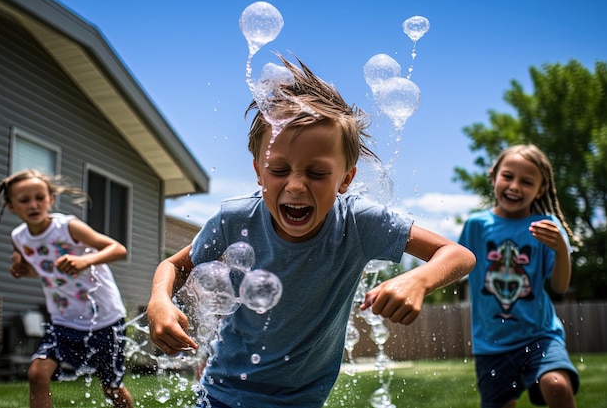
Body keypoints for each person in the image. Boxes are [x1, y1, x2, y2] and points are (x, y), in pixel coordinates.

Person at [146, 54, 476, 408]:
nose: (296, 186)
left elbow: (459, 255)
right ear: (259, 171)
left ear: (345, 179)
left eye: (317, 173)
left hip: (302, 400)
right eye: (279, 170)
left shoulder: (357, 222)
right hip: (225, 391)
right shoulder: (236, 218)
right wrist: (159, 302)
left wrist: (418, 281)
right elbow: (176, 265)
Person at [0, 169, 134, 408]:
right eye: (24, 200)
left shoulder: (67, 226)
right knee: (36, 374)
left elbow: (118, 249)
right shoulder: (19, 237)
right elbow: (37, 269)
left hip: (104, 318)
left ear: (50, 199)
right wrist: (21, 269)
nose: (33, 204)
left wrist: (85, 260)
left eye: (39, 198)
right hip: (63, 320)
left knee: (111, 387)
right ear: (12, 207)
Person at [458, 144, 580, 408]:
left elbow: (560, 286)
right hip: (491, 345)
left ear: (541, 188)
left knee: (557, 384)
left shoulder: (546, 227)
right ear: (493, 176)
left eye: (527, 181)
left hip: (540, 335)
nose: (515, 186)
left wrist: (561, 249)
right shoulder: (476, 226)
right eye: (508, 176)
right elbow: (457, 265)